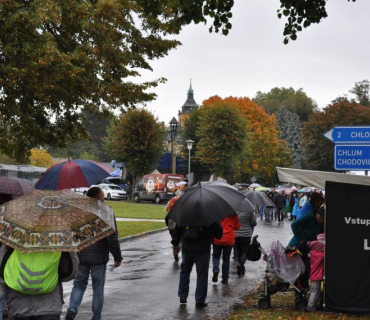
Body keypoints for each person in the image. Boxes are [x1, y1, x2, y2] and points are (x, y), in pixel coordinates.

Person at [66, 187, 123, 320]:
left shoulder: (79, 212)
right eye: (102, 196)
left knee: (79, 285)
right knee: (98, 289)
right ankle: (96, 317)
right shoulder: (106, 212)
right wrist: (117, 256)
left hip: (81, 255)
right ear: (98, 198)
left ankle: (72, 308)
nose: (104, 198)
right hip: (99, 257)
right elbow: (112, 237)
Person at [0, 243, 78, 320]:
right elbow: (70, 271)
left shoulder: (12, 240)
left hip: (19, 304)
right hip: (50, 303)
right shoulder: (57, 239)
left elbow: (2, 271)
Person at [171, 221, 223, 308]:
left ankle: (183, 295)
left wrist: (175, 243)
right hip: (203, 249)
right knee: (202, 274)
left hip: (187, 248)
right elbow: (219, 234)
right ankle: (199, 300)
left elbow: (177, 231)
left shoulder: (186, 214)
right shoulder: (208, 215)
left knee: (185, 271)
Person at [288, 197, 324, 294]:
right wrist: (301, 239)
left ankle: (302, 288)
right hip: (296, 246)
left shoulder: (318, 222)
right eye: (320, 218)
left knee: (307, 268)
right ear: (317, 213)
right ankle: (300, 288)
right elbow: (294, 225)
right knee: (301, 268)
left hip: (306, 247)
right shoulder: (309, 217)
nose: (321, 221)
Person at [212, 214, 240, 284]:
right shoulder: (233, 214)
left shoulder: (217, 213)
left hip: (217, 238)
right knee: (226, 259)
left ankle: (215, 269)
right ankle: (225, 278)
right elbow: (237, 227)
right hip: (229, 239)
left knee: (216, 256)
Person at [306, 206, 325, 312]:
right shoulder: (321, 254)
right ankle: (310, 307)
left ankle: (314, 305)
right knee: (315, 292)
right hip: (317, 276)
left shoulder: (313, 251)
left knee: (315, 292)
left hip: (314, 276)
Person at [234, 210, 257, 276]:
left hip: (237, 235)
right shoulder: (249, 212)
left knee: (239, 251)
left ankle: (241, 266)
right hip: (246, 235)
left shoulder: (237, 212)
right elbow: (254, 223)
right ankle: (241, 265)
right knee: (245, 251)